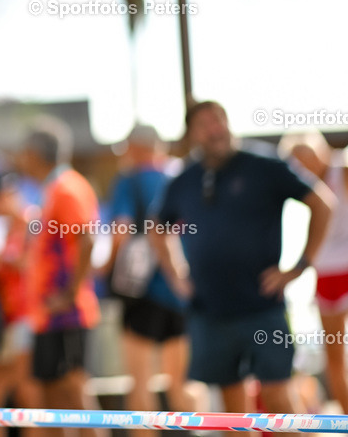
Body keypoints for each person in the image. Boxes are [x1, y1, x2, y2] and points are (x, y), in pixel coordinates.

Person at [150, 101, 332, 414]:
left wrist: (299, 266)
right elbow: (156, 228)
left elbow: (322, 203)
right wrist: (176, 275)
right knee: (233, 413)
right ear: (192, 134)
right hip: (209, 310)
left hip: (264, 305)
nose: (215, 128)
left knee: (278, 404)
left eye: (219, 119)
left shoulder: (264, 165)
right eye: (205, 123)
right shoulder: (185, 179)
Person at [104, 124, 196, 430]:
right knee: (181, 386)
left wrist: (104, 268)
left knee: (140, 387)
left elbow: (121, 229)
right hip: (182, 290)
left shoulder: (129, 182)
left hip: (142, 293)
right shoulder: (182, 178)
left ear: (136, 148)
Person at [15, 119, 103, 437]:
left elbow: (86, 238)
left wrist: (68, 294)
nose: (21, 159)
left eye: (24, 152)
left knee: (74, 392)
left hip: (67, 312)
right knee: (54, 396)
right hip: (49, 314)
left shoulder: (67, 187)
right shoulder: (53, 189)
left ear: (35, 153)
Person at [279, 130, 348, 412]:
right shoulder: (303, 187)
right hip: (325, 275)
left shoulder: (342, 171)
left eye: (305, 159)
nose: (302, 167)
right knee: (334, 353)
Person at [0, 172, 37, 437]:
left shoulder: (30, 222)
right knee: (10, 396)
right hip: (10, 320)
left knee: (18, 396)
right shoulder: (10, 227)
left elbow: (31, 265)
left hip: (26, 318)